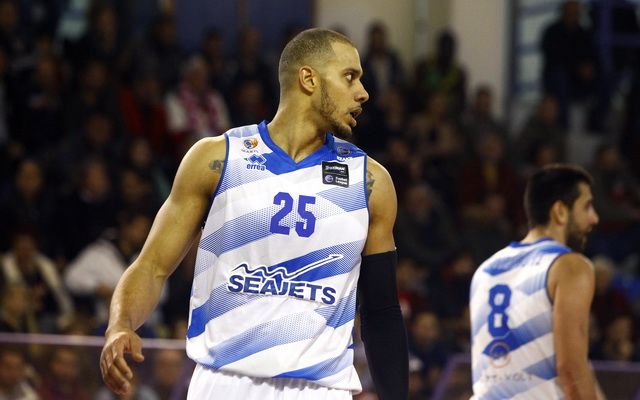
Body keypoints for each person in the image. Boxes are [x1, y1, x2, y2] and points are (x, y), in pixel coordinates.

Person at [100, 28, 408, 400]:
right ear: (308, 78)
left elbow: (381, 311)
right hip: (222, 382)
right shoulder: (217, 158)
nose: (363, 92)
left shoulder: (370, 181)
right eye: (349, 76)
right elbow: (152, 266)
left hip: (319, 389)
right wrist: (119, 325)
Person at [469, 164, 604, 399]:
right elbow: (571, 371)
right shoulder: (570, 266)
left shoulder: (484, 270)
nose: (594, 218)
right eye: (587, 206)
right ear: (560, 211)